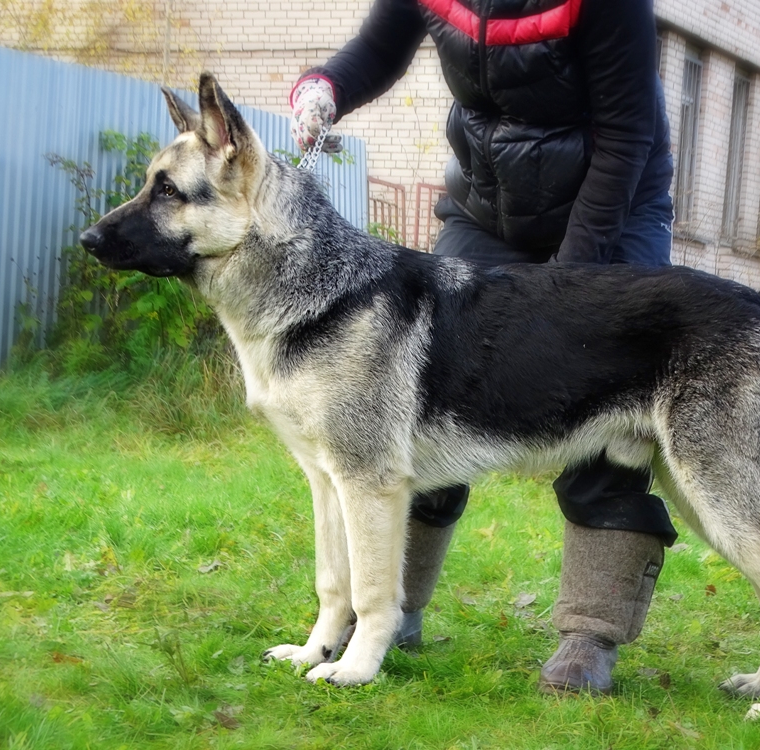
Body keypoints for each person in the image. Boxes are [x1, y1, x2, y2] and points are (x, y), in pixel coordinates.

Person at [289, 0, 678, 695]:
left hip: (612, 201)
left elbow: (627, 132)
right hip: (488, 205)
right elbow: (380, 48)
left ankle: (590, 632)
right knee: (427, 388)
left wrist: (566, 290)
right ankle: (391, 608)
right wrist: (327, 87)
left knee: (601, 396)